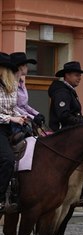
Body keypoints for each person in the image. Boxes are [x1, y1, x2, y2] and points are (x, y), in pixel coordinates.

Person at [0, 52, 25, 212]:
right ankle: (0, 196)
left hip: (9, 126)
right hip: (2, 126)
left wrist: (21, 116)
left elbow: (13, 107)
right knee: (7, 159)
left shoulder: (12, 85)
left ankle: (19, 192)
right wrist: (12, 119)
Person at [48, 61, 83, 131]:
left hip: (71, 132)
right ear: (67, 75)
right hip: (63, 134)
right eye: (76, 75)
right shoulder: (61, 92)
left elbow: (77, 115)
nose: (79, 78)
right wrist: (82, 124)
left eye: (80, 75)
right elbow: (64, 116)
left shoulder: (69, 91)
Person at [10, 52, 45, 129]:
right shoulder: (11, 84)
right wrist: (32, 117)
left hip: (23, 120)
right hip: (13, 123)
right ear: (20, 67)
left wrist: (37, 114)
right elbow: (14, 107)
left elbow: (24, 105)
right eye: (26, 65)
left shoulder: (21, 83)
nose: (27, 67)